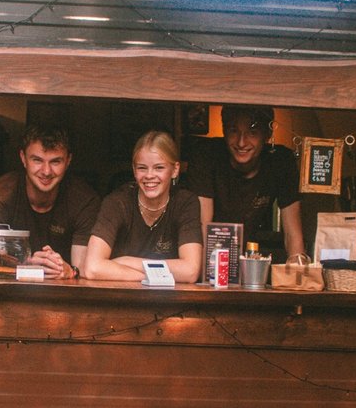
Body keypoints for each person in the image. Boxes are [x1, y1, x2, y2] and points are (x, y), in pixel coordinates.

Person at [0, 125, 101, 280]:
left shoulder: (85, 201)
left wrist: (70, 271)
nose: (46, 171)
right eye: (37, 160)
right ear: (23, 158)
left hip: (66, 291)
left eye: (55, 161)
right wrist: (30, 266)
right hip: (11, 291)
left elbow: (83, 269)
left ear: (68, 160)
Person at [186, 104, 306, 262]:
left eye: (252, 132)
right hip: (210, 256)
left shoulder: (281, 161)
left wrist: (298, 268)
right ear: (224, 130)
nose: (242, 142)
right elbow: (203, 228)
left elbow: (293, 234)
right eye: (234, 131)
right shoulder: (207, 155)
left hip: (250, 257)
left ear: (268, 134)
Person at [82, 131, 202, 283]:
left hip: (170, 302)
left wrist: (126, 261)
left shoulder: (186, 202)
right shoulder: (117, 202)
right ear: (133, 170)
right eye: (142, 168)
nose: (149, 175)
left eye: (159, 168)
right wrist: (150, 279)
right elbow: (92, 268)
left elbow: (190, 272)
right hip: (119, 298)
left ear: (175, 170)